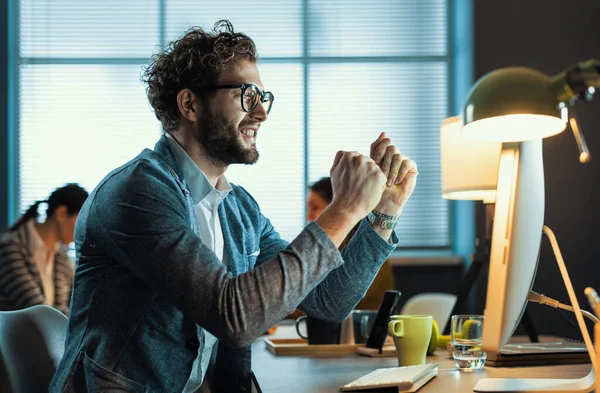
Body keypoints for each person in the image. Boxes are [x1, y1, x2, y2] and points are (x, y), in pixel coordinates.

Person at [49, 20, 418, 393]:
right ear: (190, 104)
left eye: (263, 97)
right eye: (246, 94)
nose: (261, 113)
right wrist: (344, 210)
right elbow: (235, 318)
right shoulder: (137, 193)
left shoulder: (240, 208)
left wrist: (382, 214)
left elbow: (327, 300)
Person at [307, 176, 395, 310]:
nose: (309, 217)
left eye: (315, 207)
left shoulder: (365, 244)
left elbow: (330, 301)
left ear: (335, 206)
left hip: (364, 325)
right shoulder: (331, 245)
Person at [0, 183, 89, 315]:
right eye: (81, 221)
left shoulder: (60, 254)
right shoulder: (9, 248)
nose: (84, 229)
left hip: (44, 334)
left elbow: (69, 303)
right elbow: (39, 312)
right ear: (61, 213)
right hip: (13, 334)